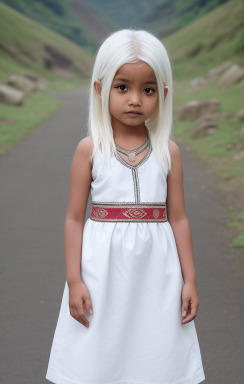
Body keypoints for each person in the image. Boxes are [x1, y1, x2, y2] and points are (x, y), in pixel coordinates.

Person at [45, 29, 205, 384]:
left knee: (155, 349)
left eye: (148, 89)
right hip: (101, 270)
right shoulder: (91, 149)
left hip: (157, 271)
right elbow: (74, 219)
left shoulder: (169, 152)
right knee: (100, 348)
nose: (135, 99)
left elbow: (178, 218)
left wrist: (190, 279)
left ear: (163, 94)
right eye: (123, 87)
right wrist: (74, 280)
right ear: (100, 89)